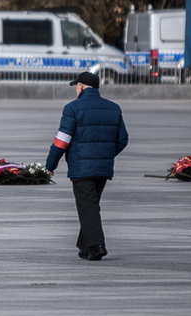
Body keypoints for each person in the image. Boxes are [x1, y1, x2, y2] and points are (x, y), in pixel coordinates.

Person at [46, 72, 129, 261]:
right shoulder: (114, 108)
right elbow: (123, 139)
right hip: (103, 168)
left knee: (88, 206)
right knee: (90, 205)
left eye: (76, 85)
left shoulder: (72, 108)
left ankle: (97, 245)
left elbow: (62, 141)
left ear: (81, 86)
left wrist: (50, 166)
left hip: (81, 167)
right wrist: (105, 155)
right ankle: (85, 247)